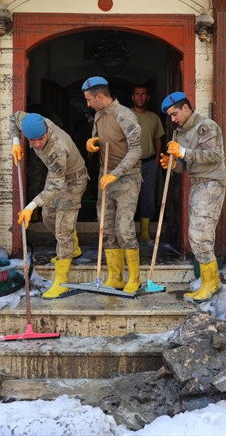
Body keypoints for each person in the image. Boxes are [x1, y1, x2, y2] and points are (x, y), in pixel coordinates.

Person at [10, 111, 88, 299]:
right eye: (32, 140)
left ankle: (61, 282)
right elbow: (13, 118)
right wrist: (16, 142)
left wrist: (30, 207)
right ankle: (72, 244)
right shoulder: (30, 121)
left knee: (62, 230)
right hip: (55, 176)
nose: (37, 144)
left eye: (40, 139)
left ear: (46, 130)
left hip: (73, 180)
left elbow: (54, 187)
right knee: (48, 216)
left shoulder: (57, 147)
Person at [160, 92, 226, 302]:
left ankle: (212, 284)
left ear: (187, 108)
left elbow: (215, 156)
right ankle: (209, 283)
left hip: (211, 184)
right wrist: (173, 164)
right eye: (170, 116)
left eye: (175, 114)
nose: (173, 119)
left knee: (200, 236)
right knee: (198, 236)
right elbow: (187, 166)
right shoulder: (180, 133)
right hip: (198, 185)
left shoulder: (206, 127)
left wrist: (183, 152)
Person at [82, 76, 143, 293]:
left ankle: (134, 278)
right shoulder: (98, 115)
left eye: (89, 99)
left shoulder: (124, 115)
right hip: (104, 175)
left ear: (100, 96)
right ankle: (115, 277)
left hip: (127, 178)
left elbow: (137, 151)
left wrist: (116, 174)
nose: (88, 104)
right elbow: (98, 139)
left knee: (124, 229)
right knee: (106, 228)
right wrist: (91, 143)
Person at [131, 84, 165, 242]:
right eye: (137, 94)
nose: (140, 96)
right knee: (129, 198)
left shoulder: (154, 118)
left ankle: (144, 233)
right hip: (130, 164)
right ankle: (128, 234)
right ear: (133, 97)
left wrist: (157, 159)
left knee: (148, 198)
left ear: (148, 97)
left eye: (143, 94)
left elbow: (158, 138)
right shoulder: (126, 115)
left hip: (150, 163)